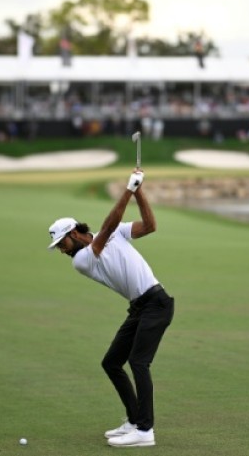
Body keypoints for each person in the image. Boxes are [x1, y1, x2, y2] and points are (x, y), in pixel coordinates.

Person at [47, 170, 175, 448]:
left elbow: (150, 226)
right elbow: (106, 229)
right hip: (140, 308)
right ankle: (133, 420)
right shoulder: (80, 259)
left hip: (157, 303)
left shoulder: (114, 233)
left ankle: (145, 431)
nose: (61, 250)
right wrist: (128, 190)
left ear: (73, 233)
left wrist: (138, 191)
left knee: (139, 362)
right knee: (112, 362)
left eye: (61, 243)